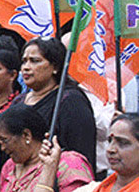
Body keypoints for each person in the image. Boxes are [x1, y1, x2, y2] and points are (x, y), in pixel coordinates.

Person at [9, 38, 96, 174]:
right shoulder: (18, 101)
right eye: (24, 61)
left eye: (35, 61)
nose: (26, 67)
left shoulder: (70, 101)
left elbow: (81, 154)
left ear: (55, 67)